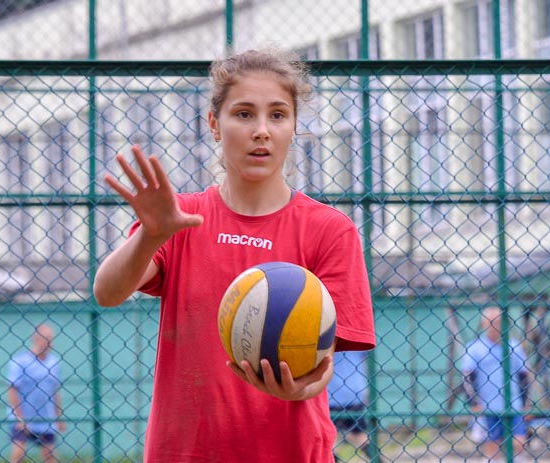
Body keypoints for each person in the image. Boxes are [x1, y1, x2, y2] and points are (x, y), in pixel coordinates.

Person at [93, 48, 376, 462]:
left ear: (294, 126)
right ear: (214, 124)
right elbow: (108, 292)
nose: (261, 130)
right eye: (243, 114)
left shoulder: (329, 231)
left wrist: (301, 387)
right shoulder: (181, 219)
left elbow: (322, 363)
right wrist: (150, 235)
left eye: (277, 115)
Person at [462, 306, 531, 462]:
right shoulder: (474, 348)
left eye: (498, 322)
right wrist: (474, 402)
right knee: (493, 445)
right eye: (491, 322)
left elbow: (524, 376)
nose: (495, 326)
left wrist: (526, 402)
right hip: (489, 406)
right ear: (484, 324)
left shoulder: (513, 346)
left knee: (519, 442)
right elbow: (467, 378)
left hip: (514, 404)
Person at [7, 324, 65, 463]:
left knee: (49, 454)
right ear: (36, 339)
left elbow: (55, 390)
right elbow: (12, 389)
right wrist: (20, 418)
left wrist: (59, 416)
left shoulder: (54, 362)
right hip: (24, 416)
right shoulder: (20, 361)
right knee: (19, 453)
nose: (49, 343)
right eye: (46, 339)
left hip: (45, 417)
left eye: (51, 339)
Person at [328, 350, 381, 463]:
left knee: (331, 439)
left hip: (330, 394)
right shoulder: (357, 335)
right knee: (358, 436)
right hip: (353, 392)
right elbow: (365, 362)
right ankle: (378, 460)